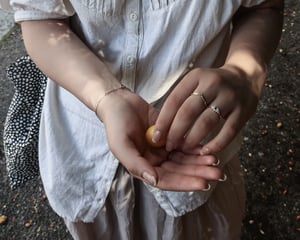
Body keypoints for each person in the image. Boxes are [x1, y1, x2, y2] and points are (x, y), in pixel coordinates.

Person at [4, 0, 283, 239]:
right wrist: (106, 97)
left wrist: (245, 71)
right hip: (85, 145)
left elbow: (264, 7)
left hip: (196, 153)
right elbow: (41, 18)